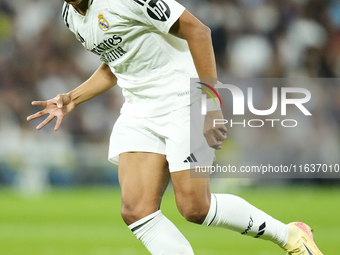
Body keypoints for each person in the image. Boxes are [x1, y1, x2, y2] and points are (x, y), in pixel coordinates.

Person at [27, 0, 323, 254]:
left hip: (185, 99)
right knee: (136, 210)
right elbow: (115, 64)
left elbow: (198, 31)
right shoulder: (70, 17)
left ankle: (292, 237)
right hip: (139, 109)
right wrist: (72, 98)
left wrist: (211, 104)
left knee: (195, 208)